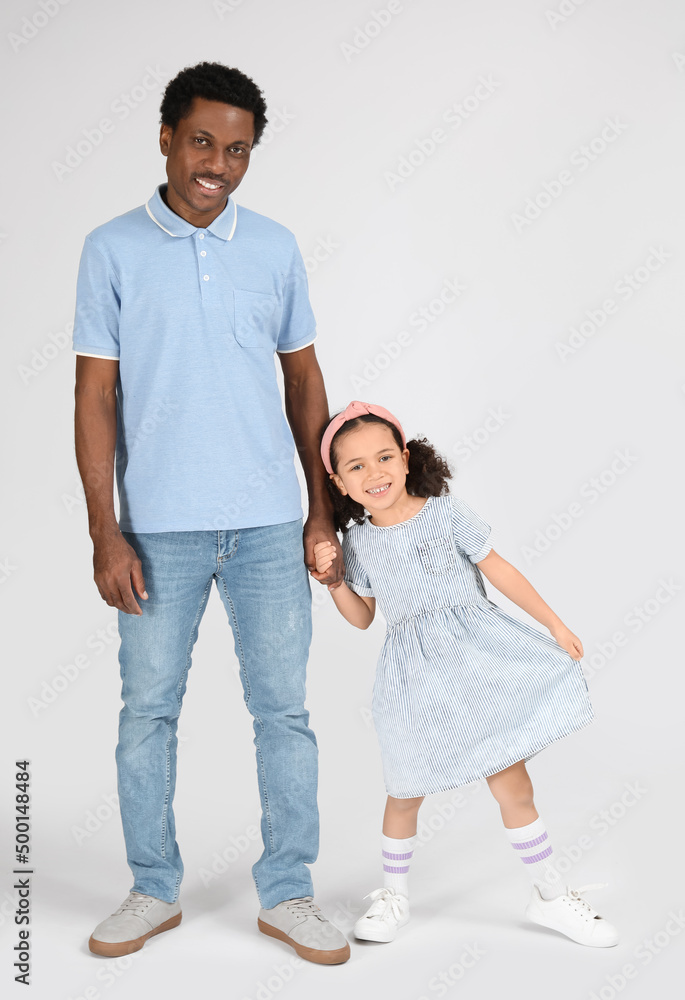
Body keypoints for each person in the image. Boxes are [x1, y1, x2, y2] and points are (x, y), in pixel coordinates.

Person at [72, 61, 350, 965]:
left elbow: (304, 381)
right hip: (156, 528)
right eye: (203, 141)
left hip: (271, 522)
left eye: (237, 151)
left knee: (284, 713)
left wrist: (323, 514)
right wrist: (104, 530)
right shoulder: (110, 249)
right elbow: (94, 397)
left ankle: (289, 892)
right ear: (164, 136)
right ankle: (153, 888)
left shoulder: (272, 246)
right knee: (146, 712)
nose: (217, 165)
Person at [311, 399, 620, 948]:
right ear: (337, 482)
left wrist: (553, 623)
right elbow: (362, 619)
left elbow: (497, 568)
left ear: (406, 460)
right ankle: (394, 897)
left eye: (384, 457)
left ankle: (550, 896)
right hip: (414, 681)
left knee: (511, 782)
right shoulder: (358, 544)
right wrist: (334, 581)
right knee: (405, 789)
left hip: (479, 663)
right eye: (356, 466)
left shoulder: (446, 513)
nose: (374, 473)